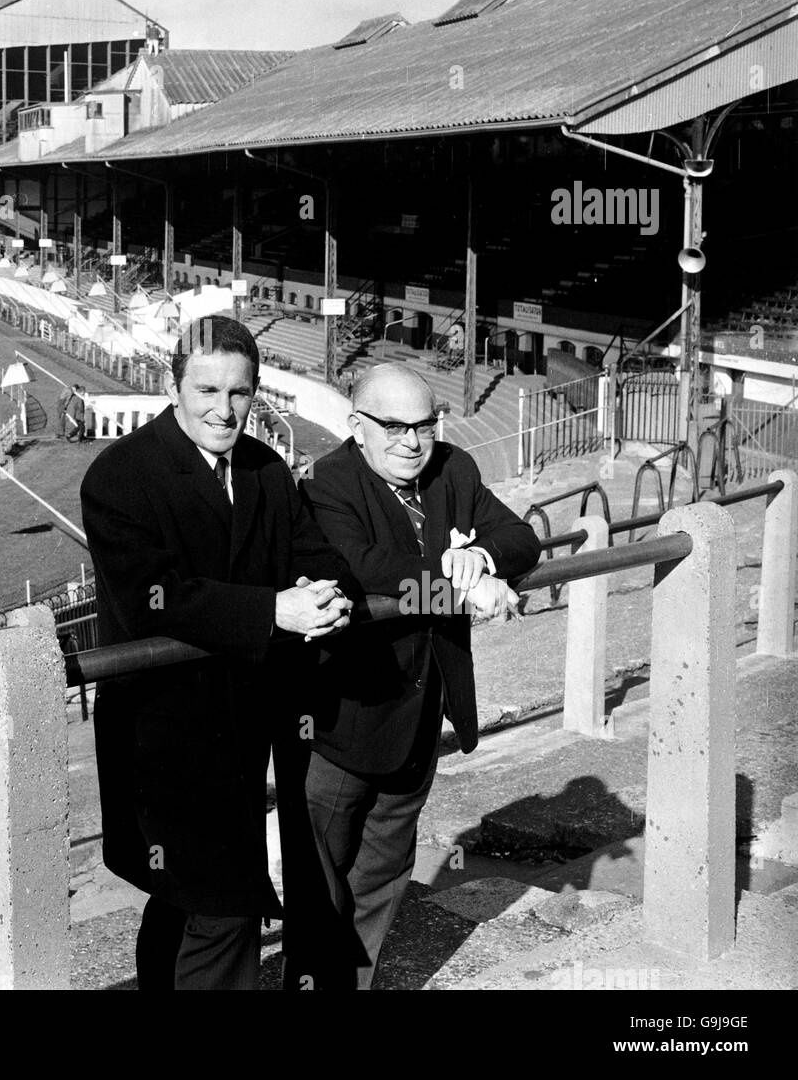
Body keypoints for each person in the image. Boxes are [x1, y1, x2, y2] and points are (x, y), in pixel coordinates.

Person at [80, 315, 355, 990]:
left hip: (243, 721)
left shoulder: (262, 468)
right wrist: (271, 610)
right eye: (207, 390)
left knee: (188, 899)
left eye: (239, 393)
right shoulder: (119, 476)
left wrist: (333, 596)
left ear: (256, 392)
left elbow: (314, 554)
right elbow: (156, 595)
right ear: (173, 387)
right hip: (160, 728)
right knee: (219, 902)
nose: (223, 409)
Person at [298, 362, 540, 988]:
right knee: (320, 884)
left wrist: (483, 556)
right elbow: (366, 570)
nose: (411, 441)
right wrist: (465, 588)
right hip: (339, 720)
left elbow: (520, 538)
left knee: (382, 875)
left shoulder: (454, 467)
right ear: (356, 425)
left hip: (420, 717)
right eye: (393, 427)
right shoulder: (328, 482)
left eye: (424, 425)